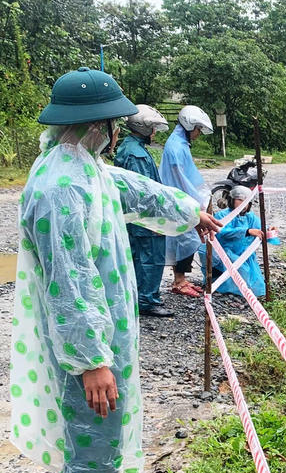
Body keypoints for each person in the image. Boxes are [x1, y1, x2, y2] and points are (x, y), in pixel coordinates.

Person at [10, 67, 220, 473]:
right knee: (94, 425)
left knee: (99, 423)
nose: (115, 133)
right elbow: (69, 280)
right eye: (112, 124)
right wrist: (91, 361)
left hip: (106, 330)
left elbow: (136, 191)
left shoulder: (83, 168)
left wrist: (190, 211)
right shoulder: (60, 187)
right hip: (88, 340)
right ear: (95, 125)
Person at [113, 105, 173, 318]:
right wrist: (156, 218)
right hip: (143, 218)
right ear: (143, 127)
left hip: (133, 217)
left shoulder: (129, 147)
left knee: (138, 257)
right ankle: (147, 300)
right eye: (152, 128)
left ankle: (139, 297)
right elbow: (142, 191)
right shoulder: (136, 154)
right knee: (150, 258)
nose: (154, 133)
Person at [159, 105, 215, 297]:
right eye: (198, 129)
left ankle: (179, 279)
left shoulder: (179, 144)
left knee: (182, 238)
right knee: (187, 238)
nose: (198, 134)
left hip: (179, 198)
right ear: (190, 126)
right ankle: (179, 281)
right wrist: (199, 201)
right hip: (180, 199)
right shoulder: (177, 147)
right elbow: (182, 179)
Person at [209, 185, 277, 297]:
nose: (243, 204)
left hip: (245, 254)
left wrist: (269, 230)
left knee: (255, 283)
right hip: (225, 252)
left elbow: (260, 229)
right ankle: (227, 288)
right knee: (242, 270)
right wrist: (246, 231)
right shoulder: (222, 215)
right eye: (240, 200)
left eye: (246, 201)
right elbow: (222, 232)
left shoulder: (250, 217)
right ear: (232, 200)